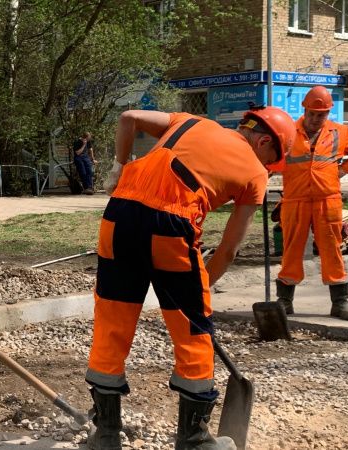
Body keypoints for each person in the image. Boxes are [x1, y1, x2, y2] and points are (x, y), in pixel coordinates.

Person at [89, 106, 296, 450]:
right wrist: (198, 301)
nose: (269, 171)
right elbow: (228, 250)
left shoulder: (190, 121)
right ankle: (194, 439)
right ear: (262, 142)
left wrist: (120, 166)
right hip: (169, 227)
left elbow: (128, 118)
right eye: (272, 162)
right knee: (193, 334)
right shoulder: (255, 176)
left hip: (117, 219)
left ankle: (105, 434)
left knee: (112, 323)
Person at [275, 85, 348, 321]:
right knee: (291, 251)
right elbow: (270, 157)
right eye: (311, 113)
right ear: (304, 109)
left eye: (320, 114)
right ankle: (284, 301)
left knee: (332, 250)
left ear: (328, 113)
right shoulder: (288, 131)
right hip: (295, 200)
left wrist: (343, 169)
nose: (314, 119)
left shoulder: (338, 132)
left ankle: (340, 303)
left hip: (327, 200)